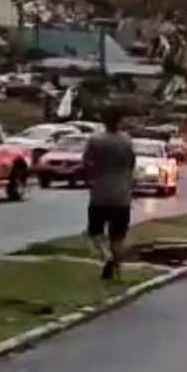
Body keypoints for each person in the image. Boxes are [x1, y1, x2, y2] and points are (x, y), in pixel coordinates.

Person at [82, 107, 136, 280]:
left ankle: (106, 255)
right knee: (118, 236)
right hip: (121, 194)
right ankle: (118, 273)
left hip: (100, 192)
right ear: (119, 122)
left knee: (95, 231)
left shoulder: (95, 140)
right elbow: (131, 163)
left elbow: (86, 163)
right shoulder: (126, 141)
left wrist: (91, 178)